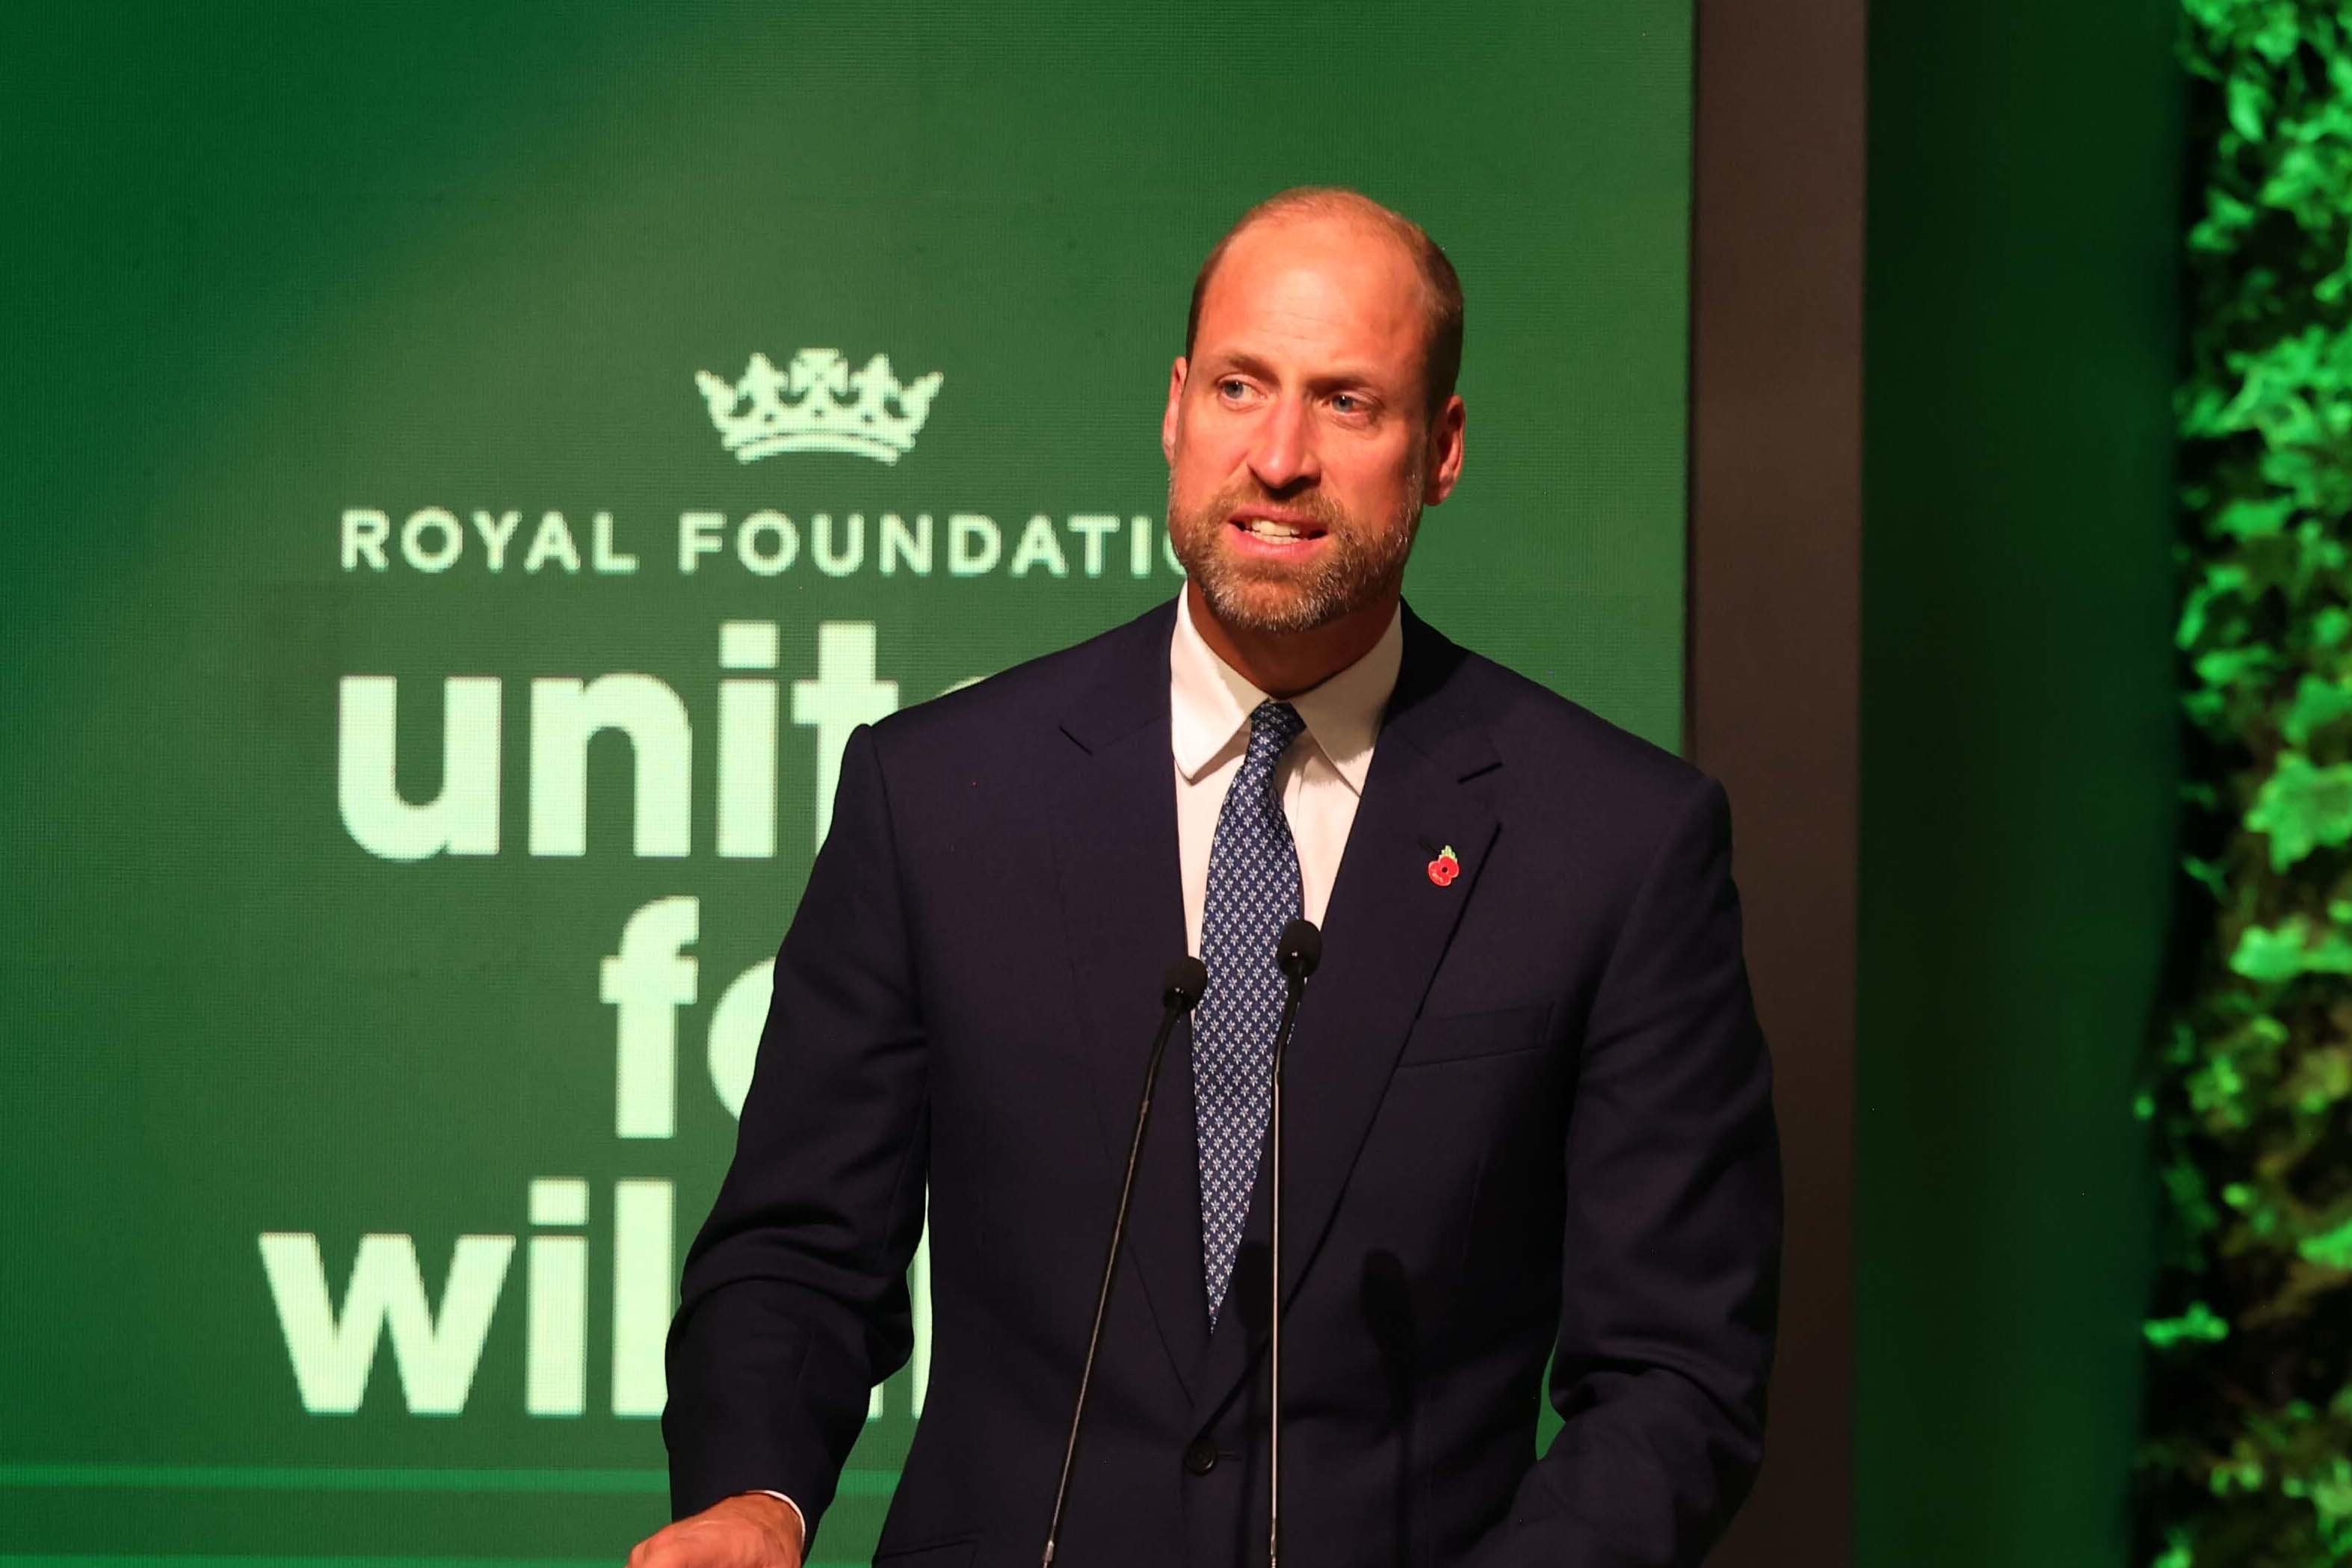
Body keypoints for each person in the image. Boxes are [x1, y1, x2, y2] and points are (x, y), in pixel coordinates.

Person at [632, 188, 1782, 1568]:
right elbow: (798, 1253)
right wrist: (755, 1497)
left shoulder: (1613, 842)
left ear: (1442, 450)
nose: (1280, 457)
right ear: (1177, 410)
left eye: (1347, 403)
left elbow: (1675, 1373)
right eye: (1242, 386)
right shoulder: (936, 795)